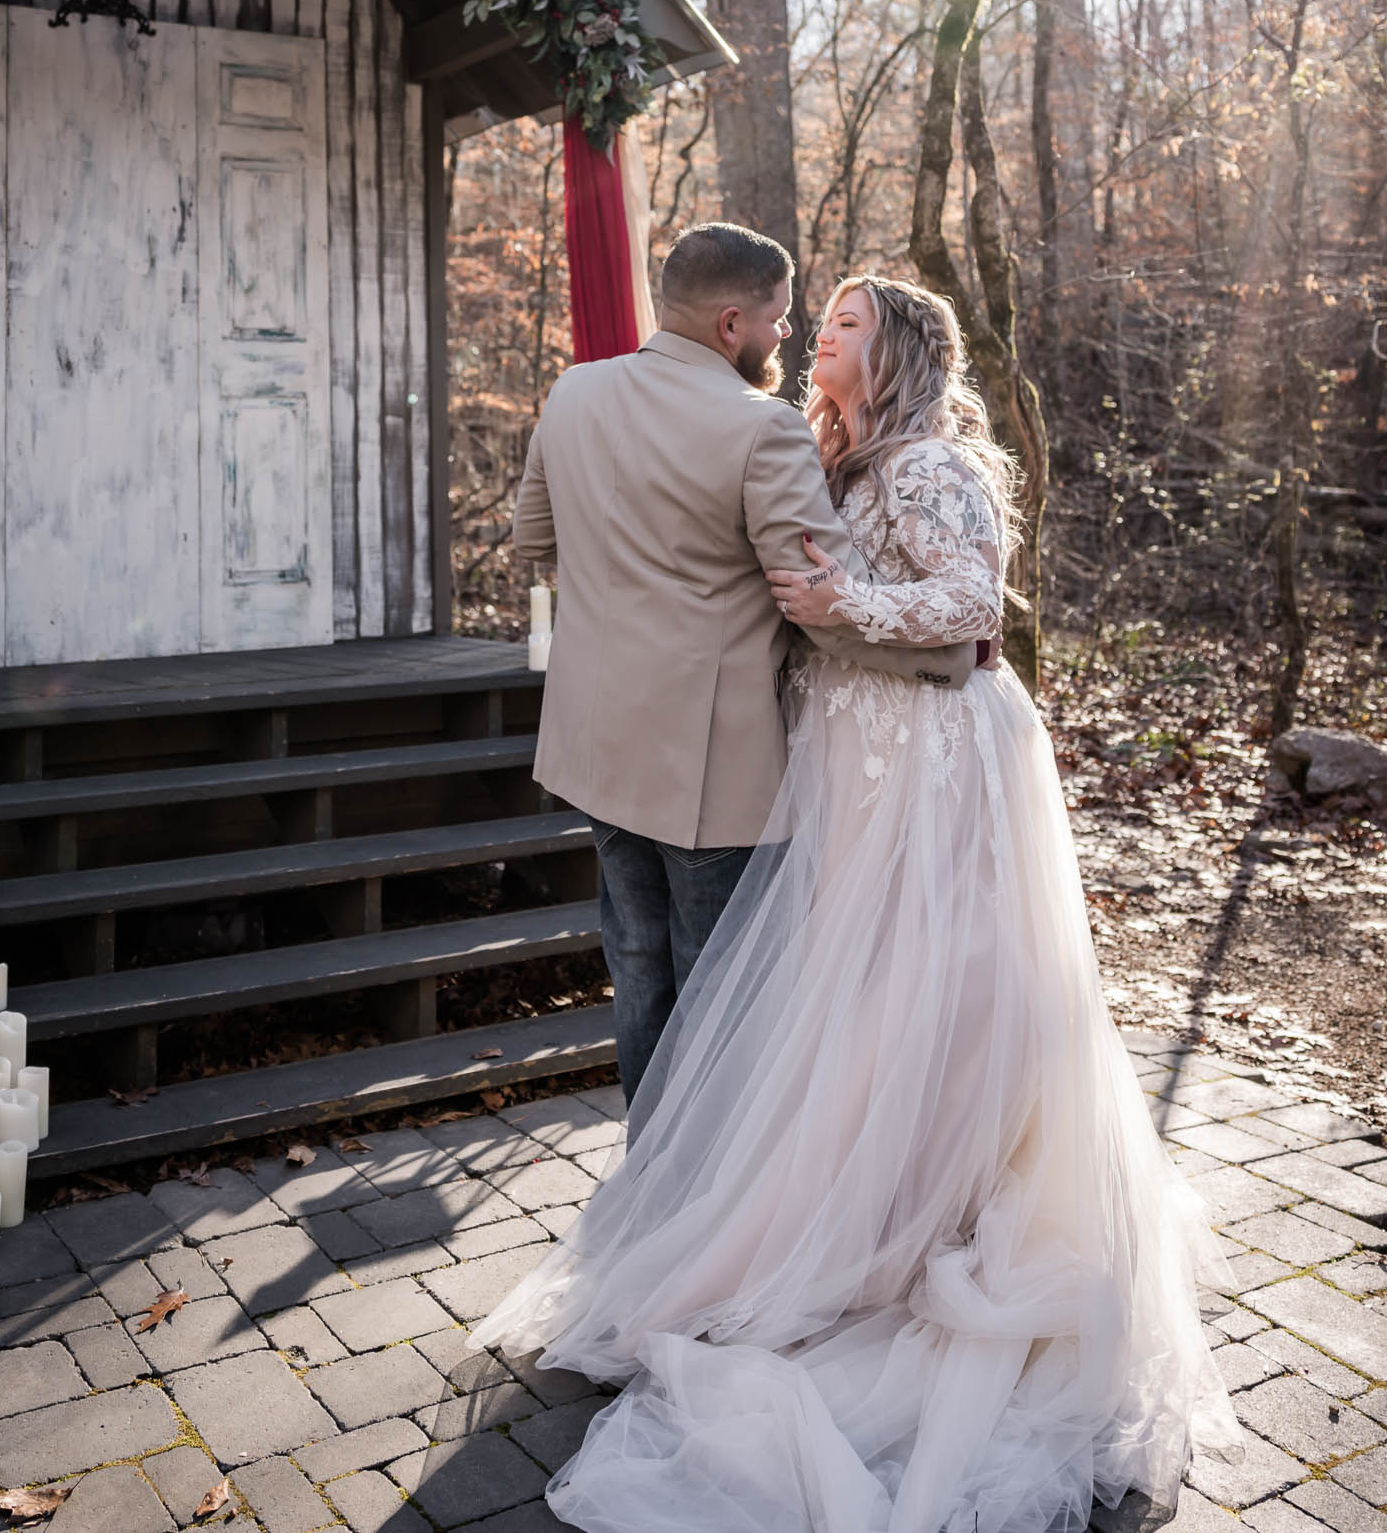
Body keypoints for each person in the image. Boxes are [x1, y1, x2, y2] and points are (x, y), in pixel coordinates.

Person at [476, 272, 1237, 1533]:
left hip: (933, 757)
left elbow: (972, 605)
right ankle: (845, 1208)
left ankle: (925, 1209)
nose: (811, 335)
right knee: (857, 982)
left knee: (932, 980)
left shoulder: (931, 465)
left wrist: (844, 606)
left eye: (838, 324)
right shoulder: (817, 451)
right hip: (850, 749)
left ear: (890, 356)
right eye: (808, 318)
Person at [510, 223, 976, 1105]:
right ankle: (704, 1206)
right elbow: (819, 605)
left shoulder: (572, 392)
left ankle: (650, 1182)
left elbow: (535, 539)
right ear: (732, 324)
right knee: (724, 991)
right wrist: (951, 652)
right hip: (708, 764)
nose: (787, 338)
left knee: (638, 967)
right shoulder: (763, 431)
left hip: (592, 742)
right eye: (778, 320)